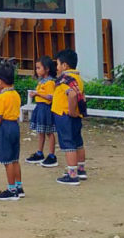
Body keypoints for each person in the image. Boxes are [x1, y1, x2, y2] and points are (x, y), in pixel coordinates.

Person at [52, 49, 86, 186]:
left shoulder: (64, 80)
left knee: (67, 143)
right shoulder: (78, 79)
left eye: (58, 64)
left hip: (64, 115)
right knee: (78, 141)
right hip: (76, 115)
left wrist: (71, 111)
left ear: (65, 66)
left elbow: (71, 95)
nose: (57, 67)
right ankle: (81, 169)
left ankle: (72, 175)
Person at [0, 62, 24, 201]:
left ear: (0, 81)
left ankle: (11, 190)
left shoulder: (1, 98)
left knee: (7, 160)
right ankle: (19, 186)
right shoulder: (15, 94)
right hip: (15, 126)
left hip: (5, 127)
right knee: (15, 159)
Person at [25, 56, 58, 168]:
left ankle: (52, 155)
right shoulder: (41, 81)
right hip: (39, 107)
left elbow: (50, 97)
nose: (37, 70)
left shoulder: (50, 82)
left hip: (46, 109)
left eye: (39, 68)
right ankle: (39, 152)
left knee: (49, 132)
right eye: (36, 68)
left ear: (47, 69)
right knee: (40, 131)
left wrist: (37, 94)